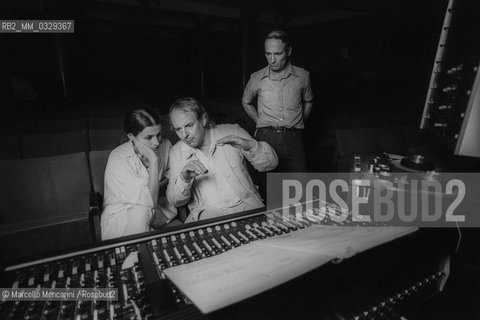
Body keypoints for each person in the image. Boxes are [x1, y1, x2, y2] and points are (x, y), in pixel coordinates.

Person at [166, 97, 278, 223]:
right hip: (208, 215)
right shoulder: (177, 152)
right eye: (178, 129)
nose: (184, 135)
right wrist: (184, 179)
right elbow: (174, 201)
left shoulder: (232, 131)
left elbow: (271, 164)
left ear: (203, 119)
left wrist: (250, 146)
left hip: (246, 208)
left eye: (189, 126)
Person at [242, 30, 314, 172]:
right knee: (268, 188)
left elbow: (309, 101)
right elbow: (246, 101)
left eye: (277, 54)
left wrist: (299, 122)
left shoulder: (303, 76)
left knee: (298, 188)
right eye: (268, 54)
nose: (272, 60)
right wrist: (259, 121)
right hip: (266, 138)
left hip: (294, 139)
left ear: (288, 51)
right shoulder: (256, 78)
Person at [101, 108, 177, 240]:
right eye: (149, 137)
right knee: (141, 211)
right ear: (131, 137)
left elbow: (172, 176)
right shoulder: (118, 157)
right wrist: (153, 162)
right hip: (122, 215)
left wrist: (159, 184)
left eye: (159, 134)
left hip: (157, 212)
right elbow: (149, 203)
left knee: (144, 212)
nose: (157, 142)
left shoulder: (165, 145)